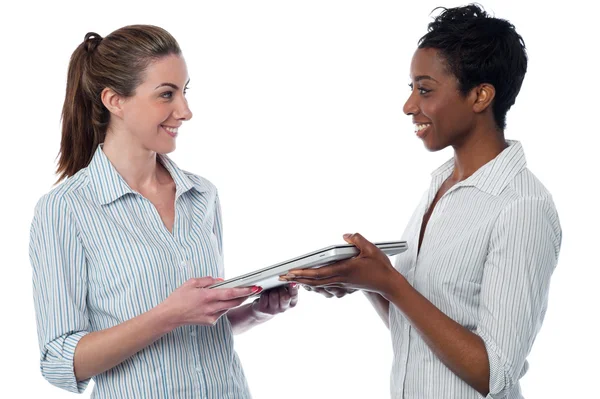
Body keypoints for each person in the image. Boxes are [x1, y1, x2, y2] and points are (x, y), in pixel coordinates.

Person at [281, 5, 561, 399]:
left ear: (481, 95)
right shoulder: (441, 187)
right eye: (411, 88)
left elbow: (494, 373)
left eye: (425, 89)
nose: (409, 105)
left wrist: (390, 284)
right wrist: (368, 282)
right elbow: (420, 332)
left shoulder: (521, 207)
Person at [29, 25, 298, 399]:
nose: (184, 111)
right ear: (114, 101)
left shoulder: (202, 195)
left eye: (184, 92)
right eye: (166, 95)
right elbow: (60, 362)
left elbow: (189, 334)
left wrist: (256, 311)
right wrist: (167, 314)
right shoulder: (66, 210)